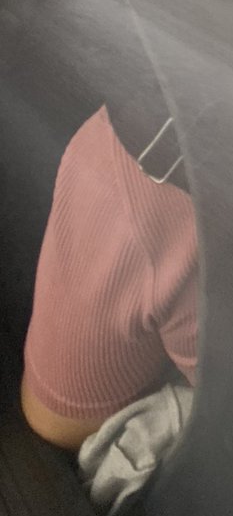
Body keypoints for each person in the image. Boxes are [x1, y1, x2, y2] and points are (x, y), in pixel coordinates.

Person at [21, 104, 198, 452]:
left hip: (40, 384)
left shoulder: (106, 121)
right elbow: (222, 388)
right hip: (86, 439)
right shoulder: (184, 224)